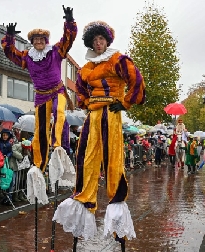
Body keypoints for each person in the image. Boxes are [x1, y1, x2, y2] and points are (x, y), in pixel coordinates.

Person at [53, 20, 145, 247]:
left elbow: (136, 80)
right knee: (86, 156)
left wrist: (125, 103)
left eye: (101, 39)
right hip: (94, 114)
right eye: (95, 41)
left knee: (113, 159)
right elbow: (81, 89)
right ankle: (84, 197)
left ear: (107, 40)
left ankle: (116, 202)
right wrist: (84, 103)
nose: (98, 43)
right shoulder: (87, 67)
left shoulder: (118, 59)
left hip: (111, 112)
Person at [1, 6, 77, 174]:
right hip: (41, 96)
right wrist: (10, 37)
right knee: (40, 129)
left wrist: (69, 21)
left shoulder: (55, 52)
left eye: (41, 39)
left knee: (59, 113)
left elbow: (68, 39)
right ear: (32, 42)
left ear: (46, 40)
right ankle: (39, 164)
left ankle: (59, 147)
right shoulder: (28, 57)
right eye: (35, 40)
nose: (39, 42)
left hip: (57, 91)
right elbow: (10, 53)